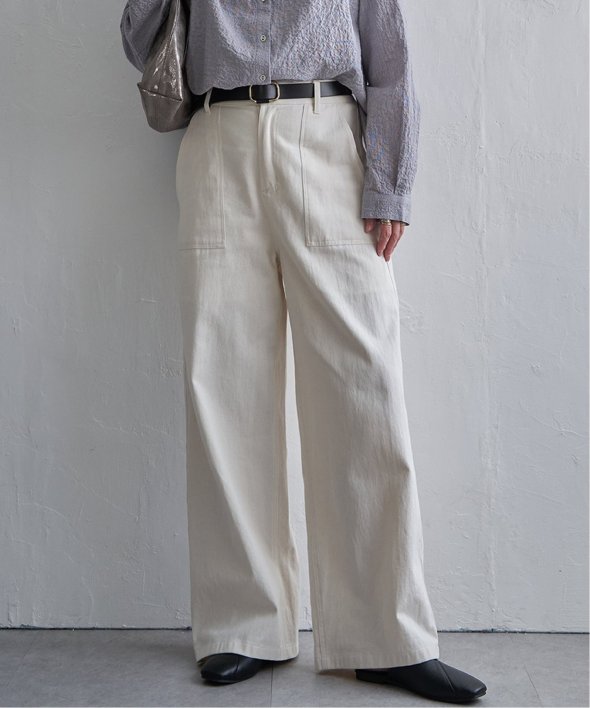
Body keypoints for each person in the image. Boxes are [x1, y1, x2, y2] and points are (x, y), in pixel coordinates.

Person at [120, 0, 487, 703]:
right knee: (224, 388)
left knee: (363, 386)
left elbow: (389, 59)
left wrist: (389, 181)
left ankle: (385, 637)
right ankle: (244, 625)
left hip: (326, 138)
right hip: (218, 138)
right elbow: (141, 43)